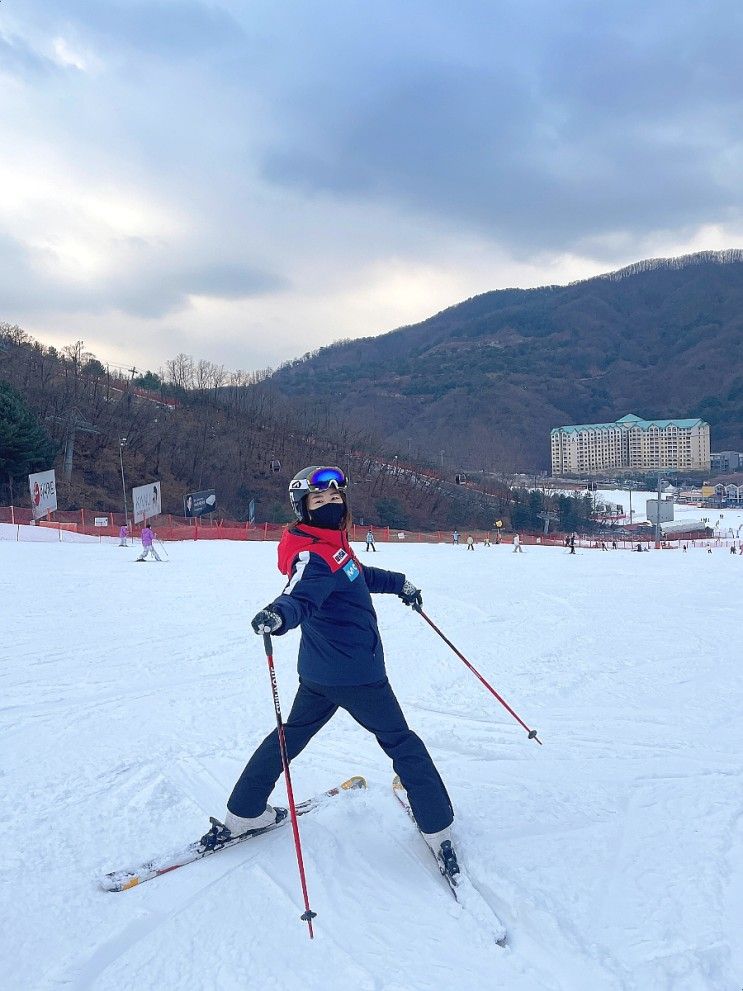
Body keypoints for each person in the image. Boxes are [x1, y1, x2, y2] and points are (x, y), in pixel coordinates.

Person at [221, 466, 458, 877]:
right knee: (401, 742)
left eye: (335, 499)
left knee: (288, 738)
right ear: (303, 508)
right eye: (320, 501)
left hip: (319, 676)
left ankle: (244, 811)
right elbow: (299, 596)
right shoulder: (314, 554)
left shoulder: (332, 547)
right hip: (359, 677)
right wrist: (279, 615)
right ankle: (438, 826)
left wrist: (398, 583)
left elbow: (356, 575)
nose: (331, 505)